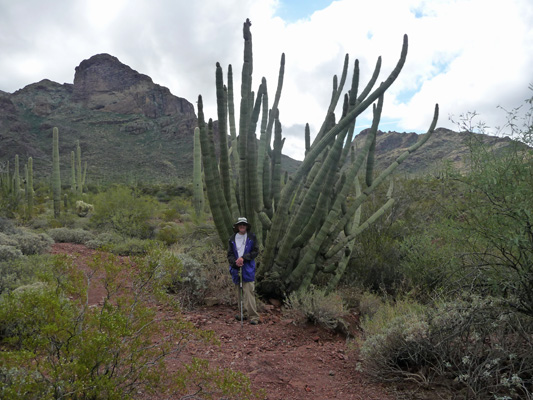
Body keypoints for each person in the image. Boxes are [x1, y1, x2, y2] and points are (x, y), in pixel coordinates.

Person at [227, 217, 260, 325]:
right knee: (239, 292)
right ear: (237, 226)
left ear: (246, 226)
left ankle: (254, 317)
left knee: (249, 291)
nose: (242, 226)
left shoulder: (251, 237)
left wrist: (244, 258)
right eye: (240, 224)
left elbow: (255, 251)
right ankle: (243, 313)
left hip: (248, 267)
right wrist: (235, 262)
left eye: (244, 224)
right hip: (236, 268)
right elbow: (230, 254)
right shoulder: (232, 239)